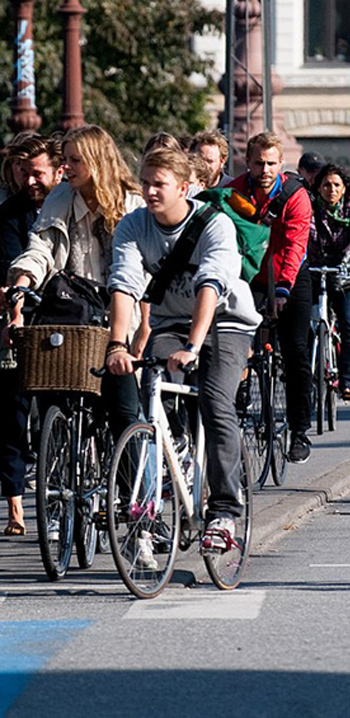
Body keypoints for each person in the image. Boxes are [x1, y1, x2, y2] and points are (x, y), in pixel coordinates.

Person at [107, 147, 261, 552]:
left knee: (214, 399)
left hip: (226, 322)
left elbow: (211, 283)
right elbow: (124, 283)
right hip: (172, 322)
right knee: (151, 391)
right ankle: (176, 460)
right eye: (145, 183)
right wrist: (117, 344)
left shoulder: (215, 224)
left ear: (183, 188)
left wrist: (194, 345)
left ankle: (224, 511)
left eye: (159, 184)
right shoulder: (133, 225)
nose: (149, 191)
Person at [6, 124, 147, 440]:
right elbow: (41, 246)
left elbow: (137, 271)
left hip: (117, 315)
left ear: (96, 161)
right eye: (65, 159)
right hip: (70, 314)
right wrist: (22, 281)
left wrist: (138, 330)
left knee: (123, 412)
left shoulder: (132, 205)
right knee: (53, 395)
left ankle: (129, 473)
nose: (66, 167)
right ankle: (56, 460)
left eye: (74, 160)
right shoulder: (61, 197)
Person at [227, 132, 314, 463]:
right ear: (248, 163)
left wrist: (283, 291)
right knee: (234, 341)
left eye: (271, 164)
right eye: (259, 163)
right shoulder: (235, 191)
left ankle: (300, 430)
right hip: (250, 276)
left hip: (289, 275)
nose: (265, 170)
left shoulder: (295, 196)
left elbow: (295, 246)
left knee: (295, 351)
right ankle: (238, 400)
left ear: (281, 164)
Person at [0, 135, 64, 536]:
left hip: (67, 323)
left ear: (58, 172)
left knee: (57, 413)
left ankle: (58, 495)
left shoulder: (71, 206)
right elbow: (8, 267)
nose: (30, 181)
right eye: (24, 173)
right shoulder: (10, 214)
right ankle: (15, 505)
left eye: (37, 173)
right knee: (12, 414)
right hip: (18, 321)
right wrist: (13, 311)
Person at [309, 163, 350, 401]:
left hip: (346, 274)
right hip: (317, 270)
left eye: (336, 185)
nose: (331, 190)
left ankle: (347, 383)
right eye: (326, 185)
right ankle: (309, 376)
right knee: (307, 325)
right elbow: (307, 236)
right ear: (319, 188)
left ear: (344, 188)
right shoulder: (312, 209)